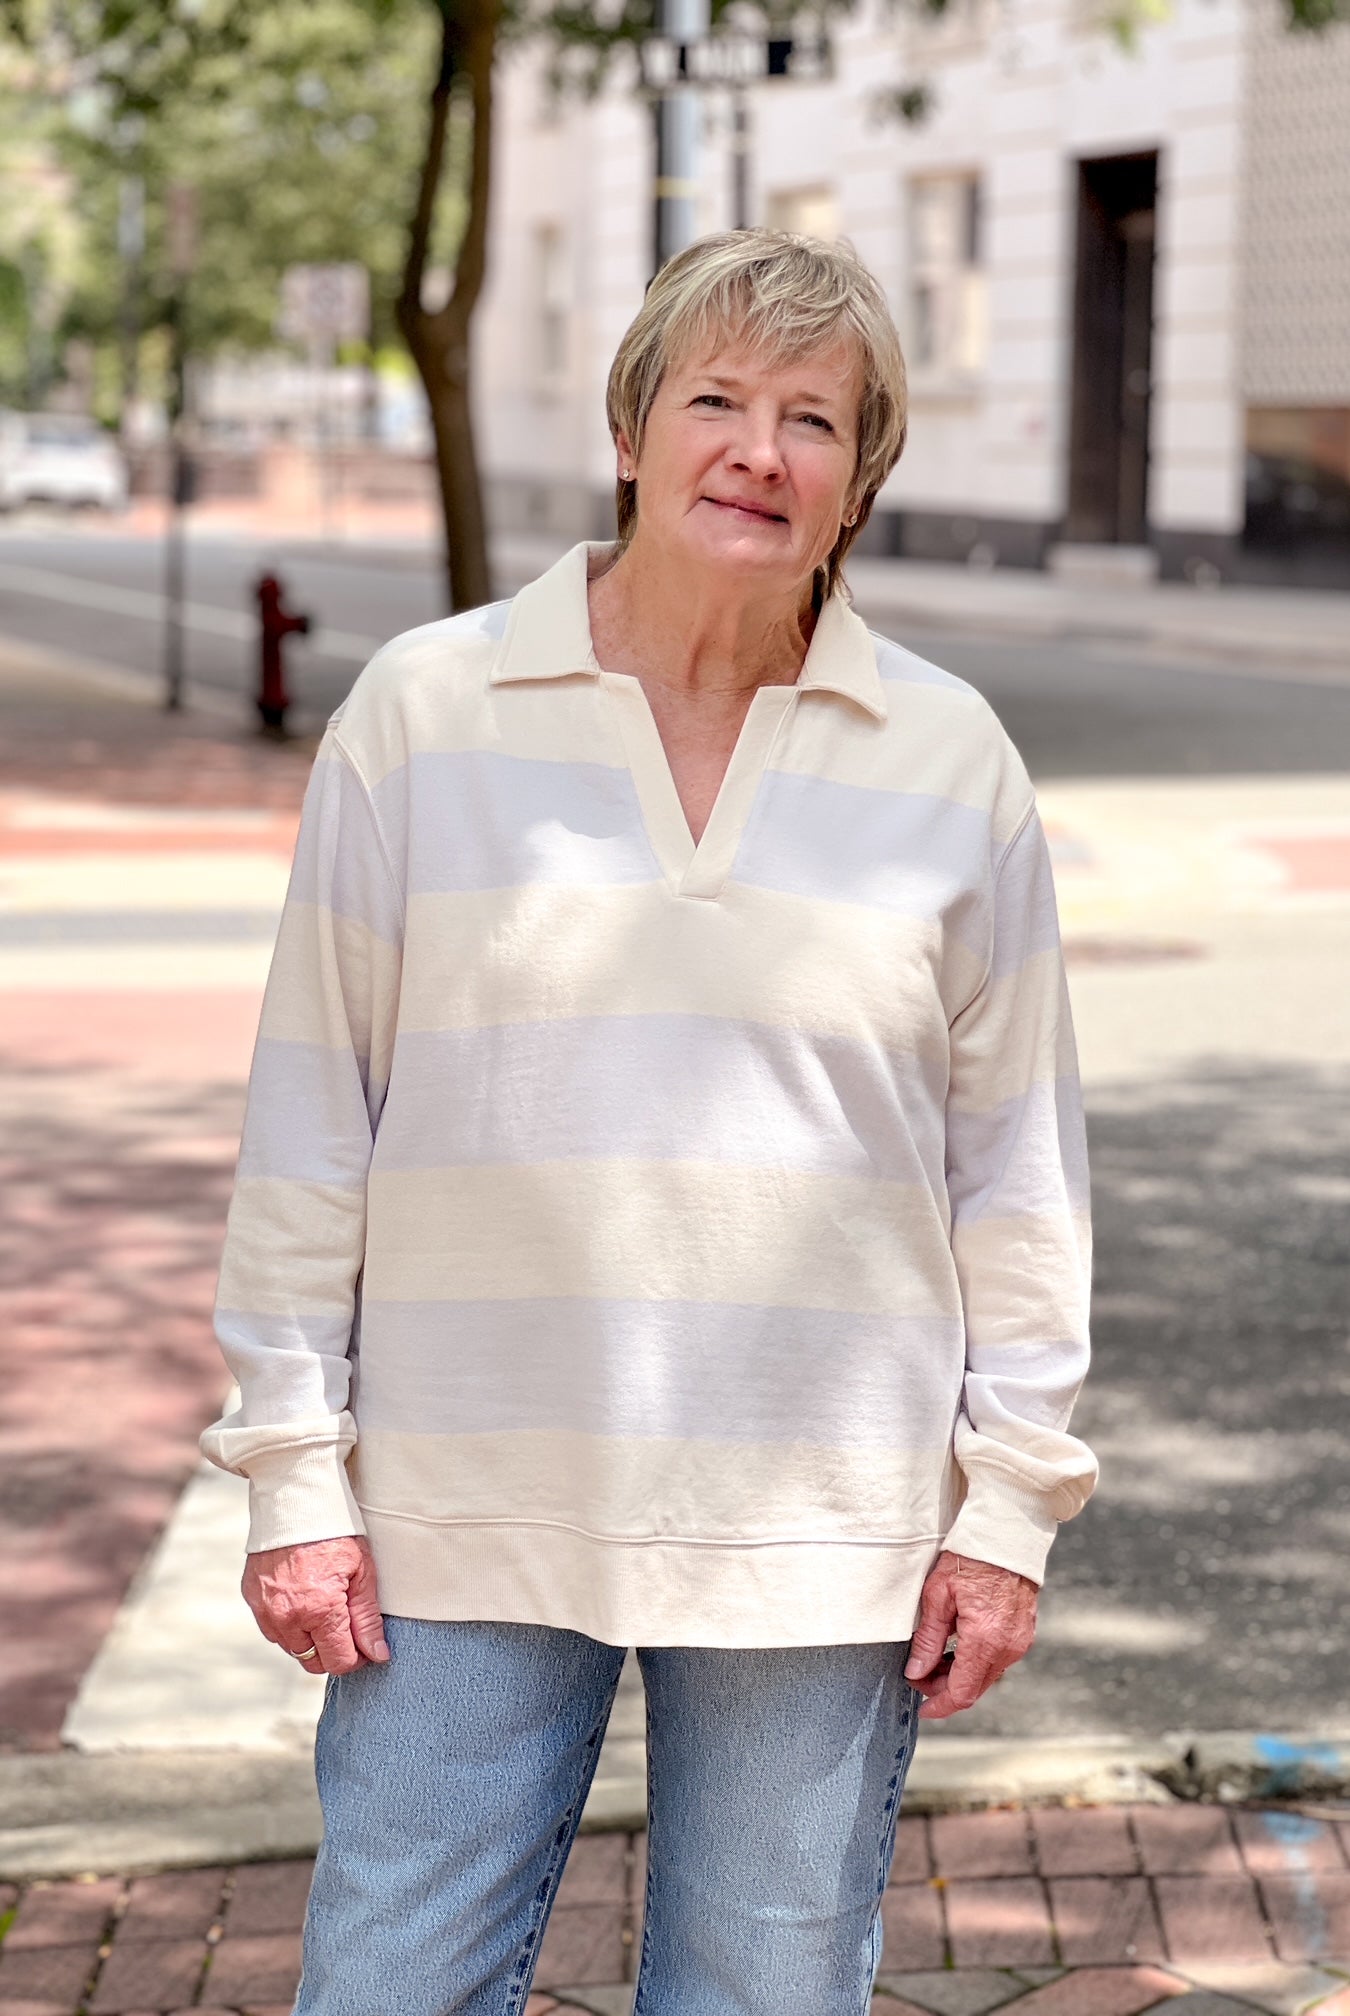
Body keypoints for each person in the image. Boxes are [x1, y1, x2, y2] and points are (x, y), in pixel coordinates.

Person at [202, 228, 1098, 2016]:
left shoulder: (948, 756)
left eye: (815, 421)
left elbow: (1016, 1166)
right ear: (632, 430)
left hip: (821, 1524)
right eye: (716, 399)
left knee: (764, 1995)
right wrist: (294, 1473)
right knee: (387, 1984)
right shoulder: (421, 713)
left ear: (858, 482)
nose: (758, 451)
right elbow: (313, 1124)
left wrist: (1007, 1510)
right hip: (457, 1497)